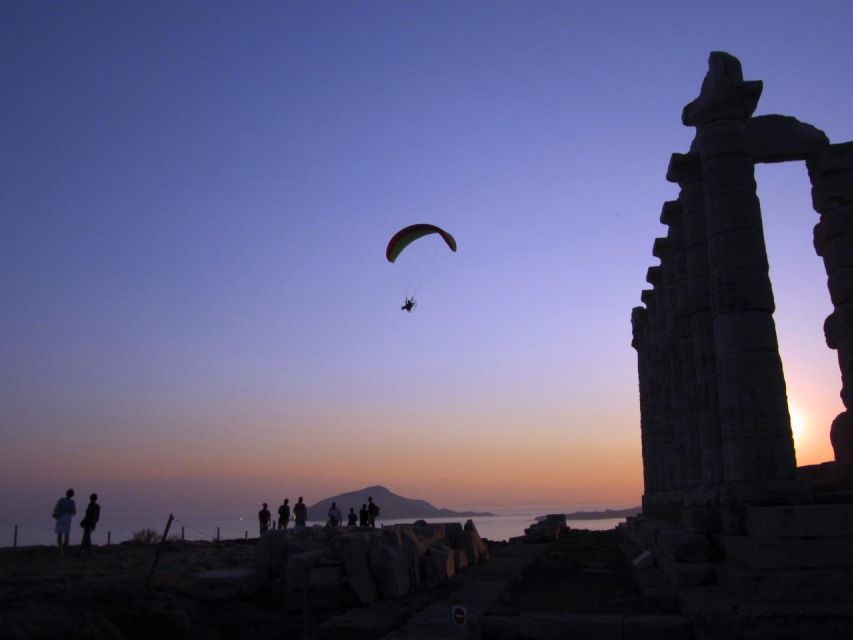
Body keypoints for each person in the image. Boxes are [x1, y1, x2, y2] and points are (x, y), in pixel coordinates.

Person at [52, 489, 76, 556]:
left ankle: (60, 548)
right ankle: (65, 548)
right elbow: (74, 512)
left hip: (61, 517)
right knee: (66, 534)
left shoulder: (61, 500)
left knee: (59, 533)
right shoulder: (72, 502)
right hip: (68, 519)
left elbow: (56, 508)